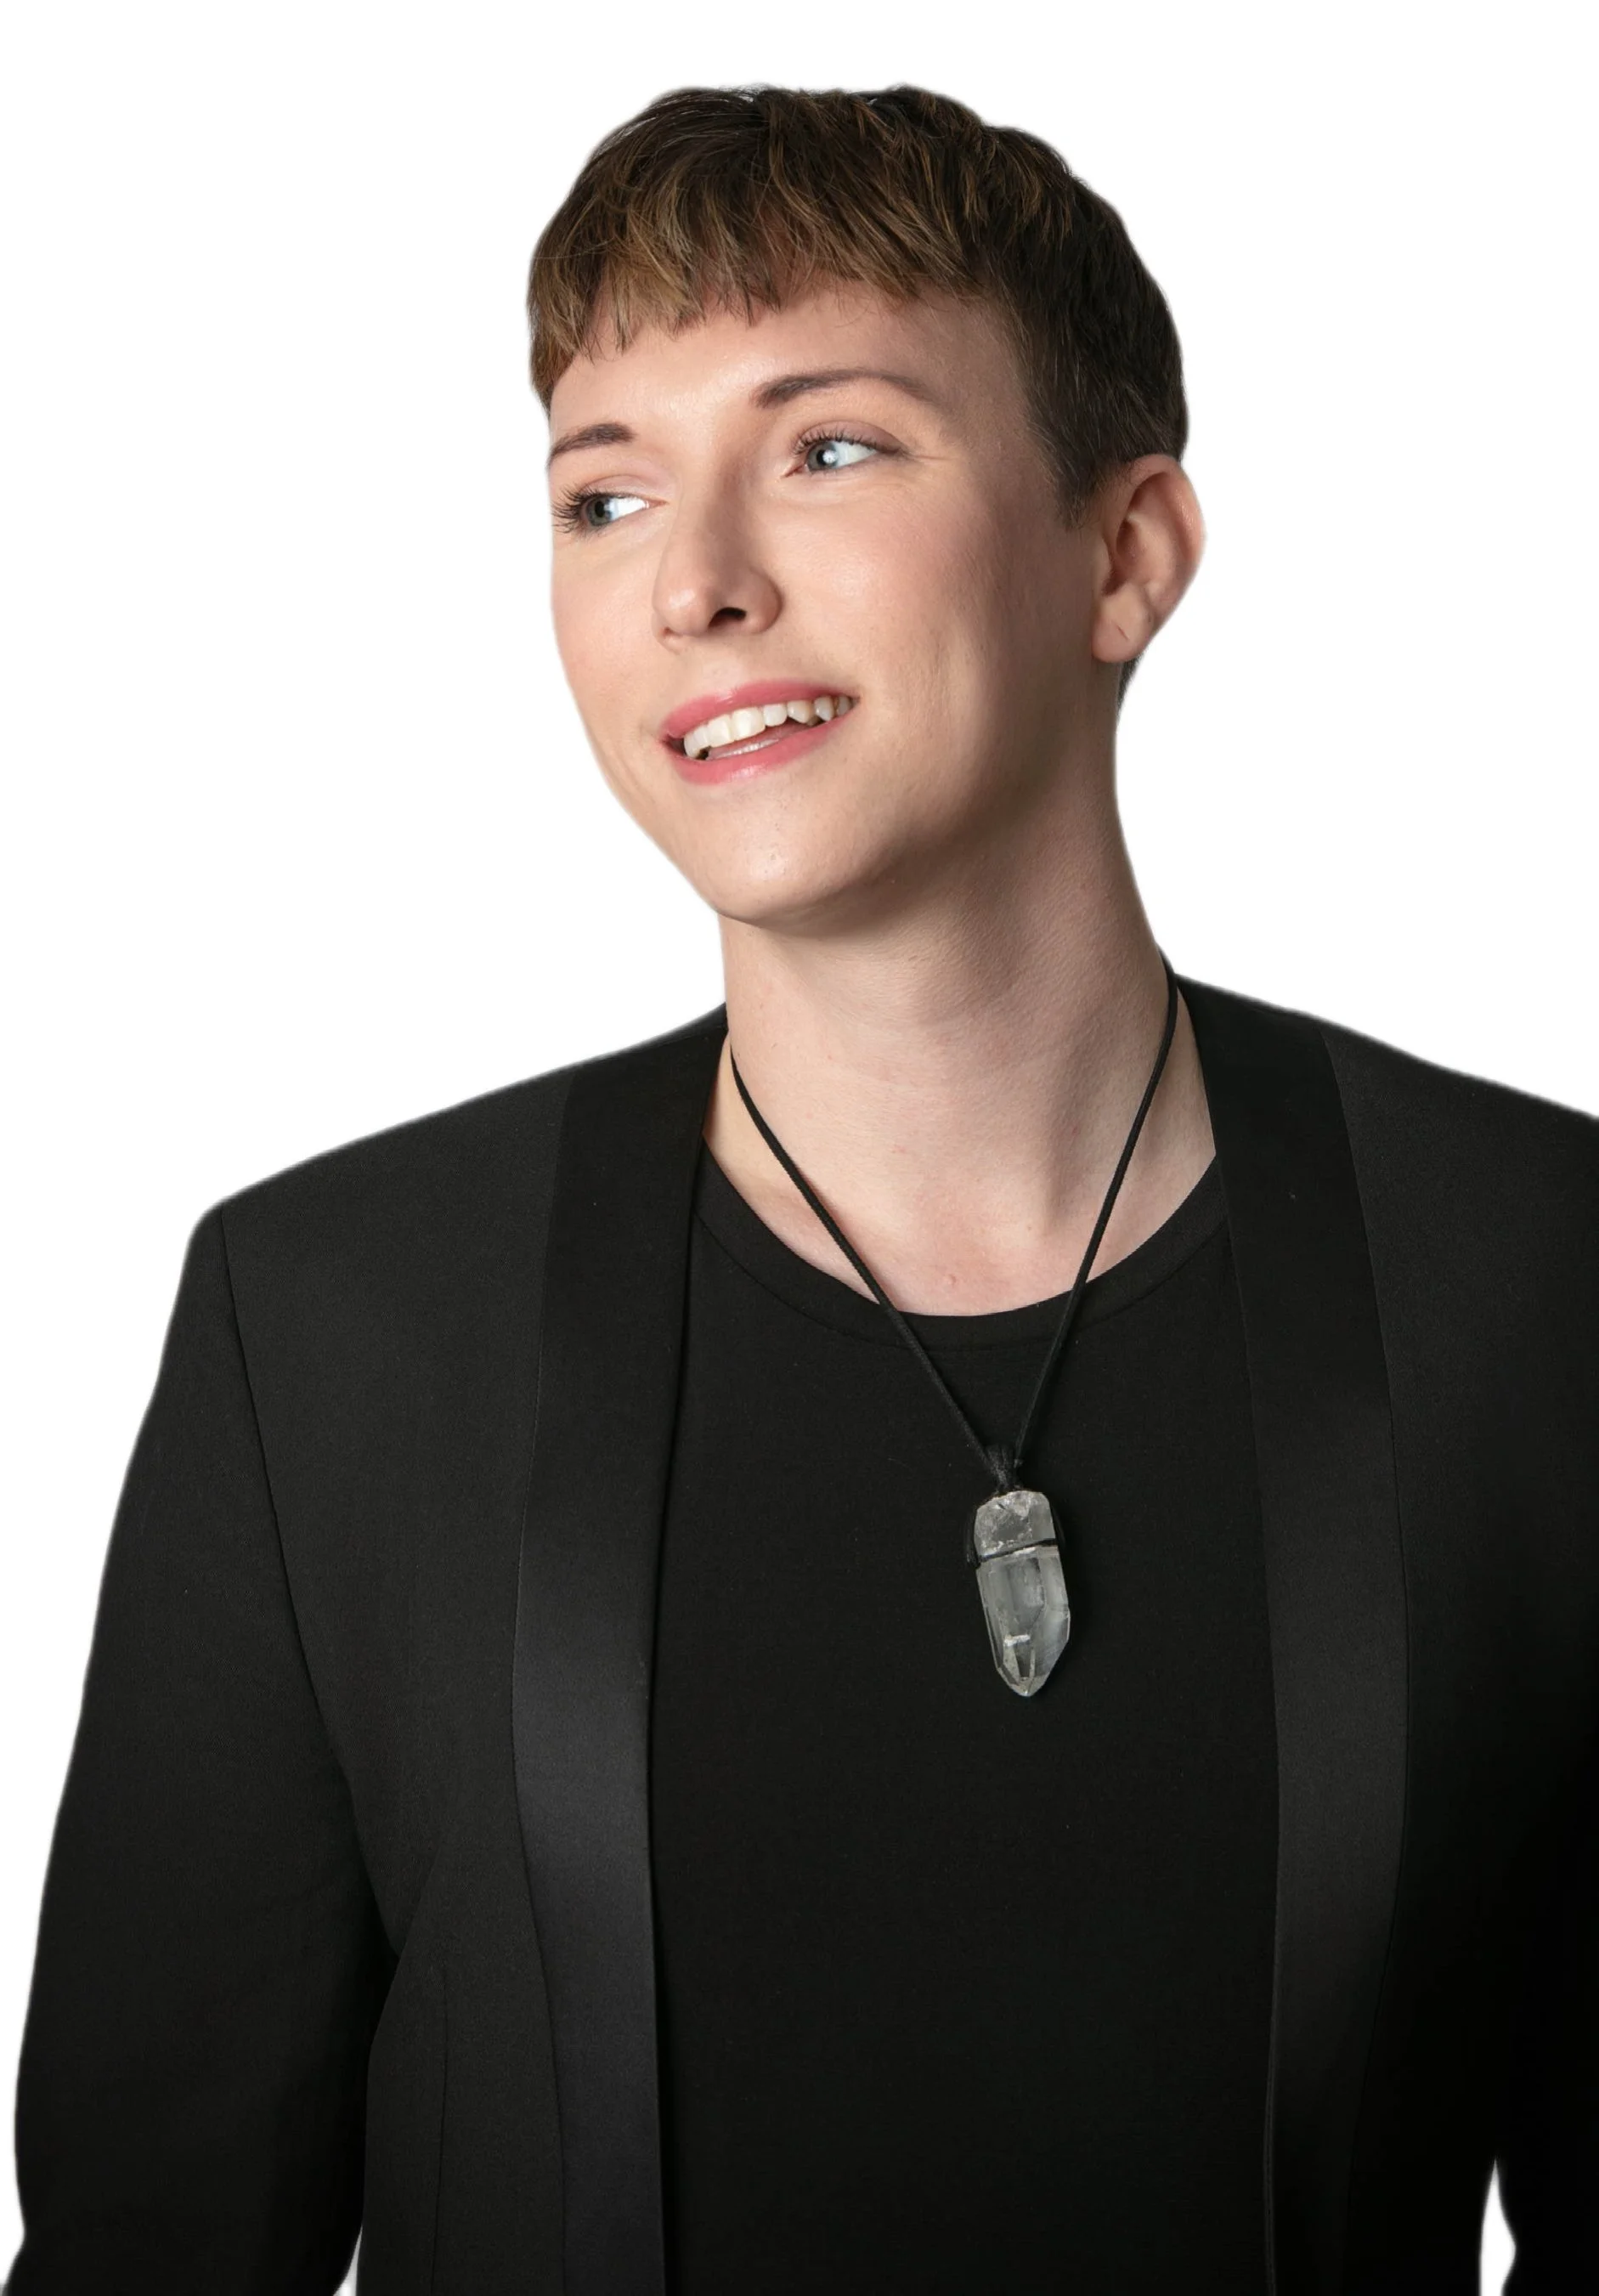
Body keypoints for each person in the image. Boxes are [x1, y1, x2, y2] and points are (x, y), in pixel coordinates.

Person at [5, 81, 1596, 2296]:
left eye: (832, 445)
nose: (694, 579)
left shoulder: (1542, 1279)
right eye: (603, 489)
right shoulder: (337, 1329)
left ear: (1122, 552)